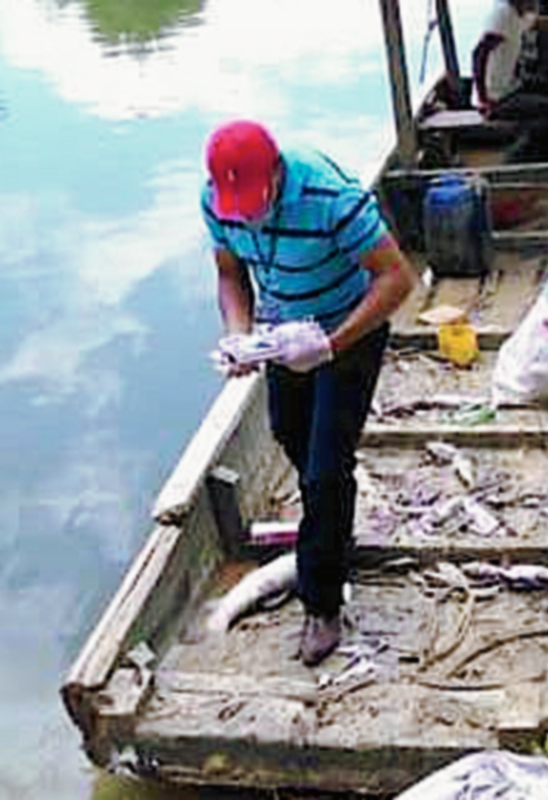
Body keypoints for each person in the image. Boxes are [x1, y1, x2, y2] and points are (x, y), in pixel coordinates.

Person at [201, 120, 417, 667]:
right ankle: (332, 521)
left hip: (351, 326)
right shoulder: (216, 203)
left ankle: (323, 601)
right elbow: (231, 275)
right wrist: (240, 335)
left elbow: (396, 279)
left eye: (256, 200)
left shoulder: (329, 196)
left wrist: (331, 343)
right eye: (237, 205)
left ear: (277, 174)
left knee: (324, 467)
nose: (247, 214)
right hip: (281, 330)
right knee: (290, 436)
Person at [471, 0, 548, 159]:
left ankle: (540, 141)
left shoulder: (518, 13)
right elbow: (478, 53)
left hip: (513, 84)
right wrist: (484, 99)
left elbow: (538, 23)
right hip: (498, 97)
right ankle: (524, 151)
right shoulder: (502, 15)